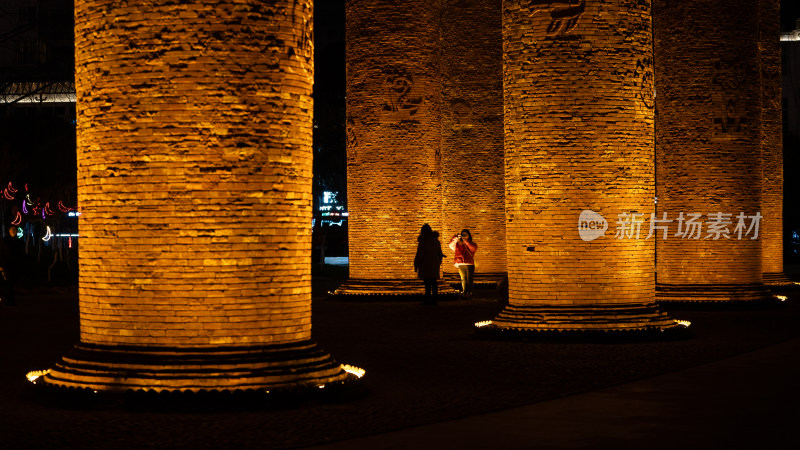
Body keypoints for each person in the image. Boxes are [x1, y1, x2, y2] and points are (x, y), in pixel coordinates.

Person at [414, 224, 444, 305]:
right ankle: (434, 300)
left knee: (427, 283)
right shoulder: (436, 240)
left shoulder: (423, 241)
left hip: (425, 263)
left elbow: (419, 253)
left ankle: (427, 300)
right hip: (434, 263)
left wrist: (416, 264)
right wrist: (438, 262)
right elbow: (439, 252)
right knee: (433, 282)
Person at [449, 229, 477, 298]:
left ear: (468, 236)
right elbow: (450, 245)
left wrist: (465, 241)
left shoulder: (471, 243)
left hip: (469, 263)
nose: (463, 236)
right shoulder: (457, 244)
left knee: (469, 279)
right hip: (460, 263)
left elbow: (473, 248)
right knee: (463, 279)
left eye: (465, 235)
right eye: (462, 235)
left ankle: (469, 292)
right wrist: (456, 237)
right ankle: (465, 292)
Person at [0, 226, 24, 306]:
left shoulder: (19, 241)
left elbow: (21, 254)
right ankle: (9, 300)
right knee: (8, 282)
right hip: (7, 264)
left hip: (15, 265)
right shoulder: (5, 240)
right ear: (9, 230)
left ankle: (11, 300)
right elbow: (1, 253)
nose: (13, 231)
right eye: (12, 229)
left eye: (15, 230)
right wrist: (1, 265)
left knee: (12, 282)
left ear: (17, 231)